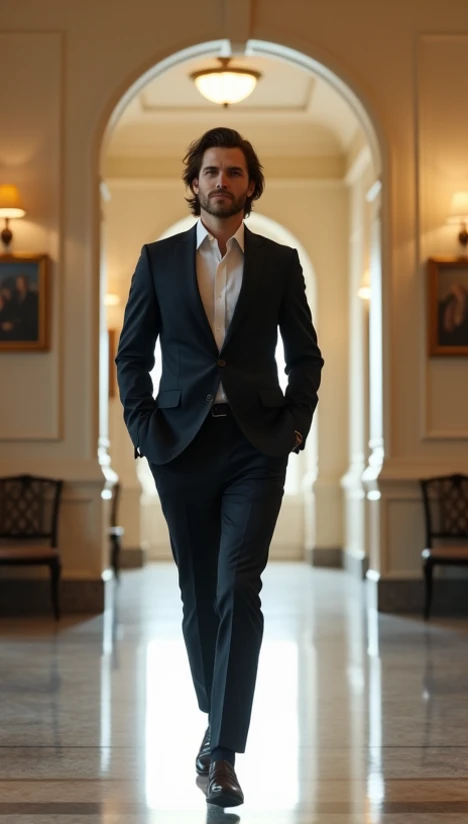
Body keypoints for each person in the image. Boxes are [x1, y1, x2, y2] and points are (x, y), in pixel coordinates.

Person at [116, 127, 324, 808]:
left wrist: (295, 426)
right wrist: (145, 431)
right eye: (210, 171)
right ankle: (216, 715)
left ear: (250, 185)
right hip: (180, 447)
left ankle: (223, 750)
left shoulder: (280, 263)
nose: (221, 182)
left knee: (239, 585)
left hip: (255, 448)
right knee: (198, 595)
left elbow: (306, 356)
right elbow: (131, 358)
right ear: (195, 183)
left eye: (234, 172)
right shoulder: (157, 260)